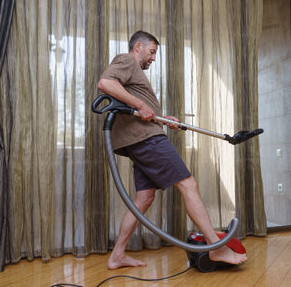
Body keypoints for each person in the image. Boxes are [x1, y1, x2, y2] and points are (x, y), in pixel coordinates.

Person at [97, 30, 248, 269]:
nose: (153, 58)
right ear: (138, 46)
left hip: (140, 138)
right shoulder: (127, 60)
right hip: (146, 139)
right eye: (152, 51)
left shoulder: (135, 74)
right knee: (188, 184)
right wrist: (140, 104)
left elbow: (140, 112)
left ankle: (117, 255)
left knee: (144, 198)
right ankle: (215, 249)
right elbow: (105, 83)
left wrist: (162, 118)